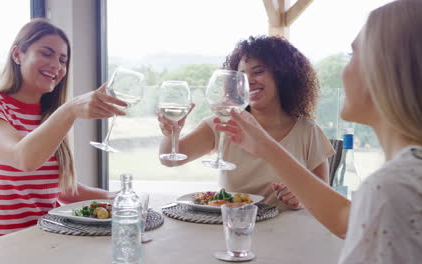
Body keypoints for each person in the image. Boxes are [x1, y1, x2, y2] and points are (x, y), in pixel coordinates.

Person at [215, 1, 422, 262]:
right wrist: (266, 146)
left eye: (352, 56)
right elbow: (344, 218)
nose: (344, 71)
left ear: (387, 72)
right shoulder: (404, 178)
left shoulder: (391, 187)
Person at [0, 18, 126, 241]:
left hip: (51, 241)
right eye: (46, 53)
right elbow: (23, 159)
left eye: (63, 59)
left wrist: (115, 196)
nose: (57, 66)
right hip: (4, 248)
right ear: (17, 55)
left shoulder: (48, 115)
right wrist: (70, 110)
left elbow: (60, 189)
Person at [158, 36, 335, 211]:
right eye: (241, 76)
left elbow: (325, 198)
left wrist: (301, 197)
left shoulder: (307, 131)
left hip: (287, 233)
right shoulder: (222, 123)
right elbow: (170, 160)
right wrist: (171, 134)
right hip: (234, 229)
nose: (249, 81)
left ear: (282, 75)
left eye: (258, 72)